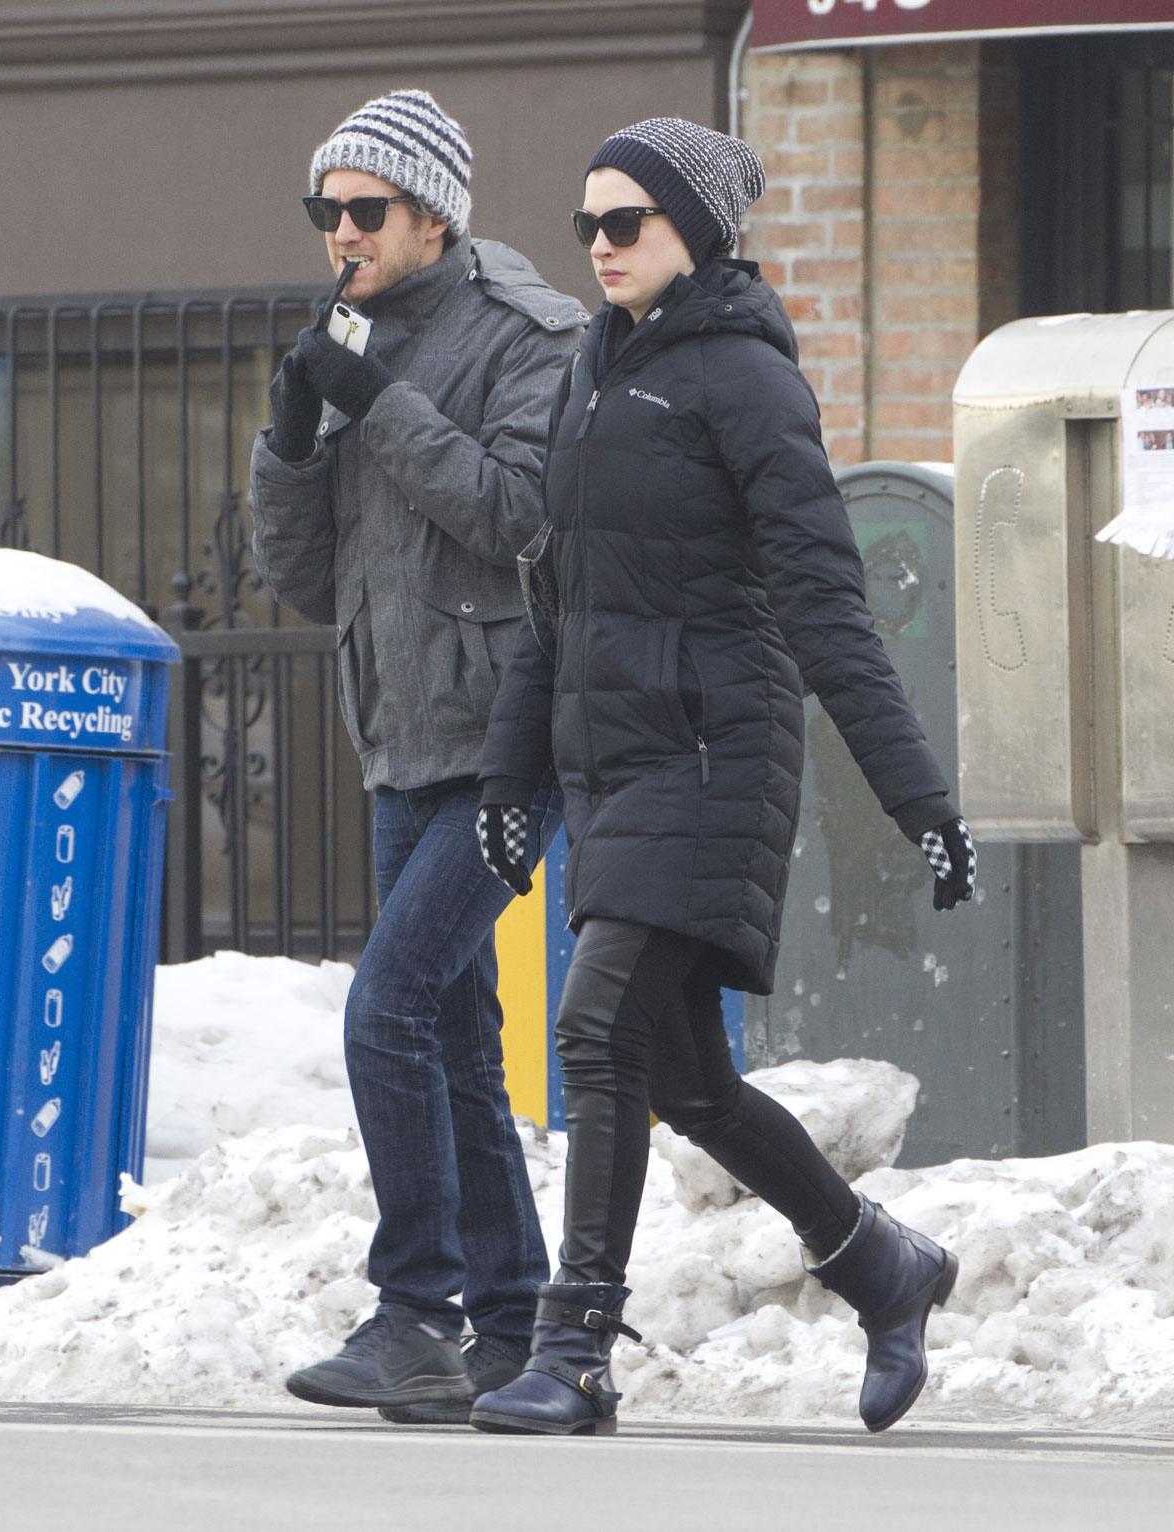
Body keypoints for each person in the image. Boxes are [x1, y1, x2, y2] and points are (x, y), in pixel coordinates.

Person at [470, 117, 976, 1437]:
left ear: (696, 228)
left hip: (711, 760)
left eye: (623, 223)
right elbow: (556, 600)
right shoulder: (594, 372)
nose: (598, 247)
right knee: (683, 1079)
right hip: (615, 767)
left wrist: (917, 794)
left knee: (592, 1032)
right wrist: (510, 779)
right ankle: (881, 1264)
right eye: (585, 225)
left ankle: (574, 1348)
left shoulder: (746, 380)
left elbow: (825, 600)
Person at [249, 88, 586, 1422]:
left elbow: (515, 517)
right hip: (399, 735)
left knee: (383, 1005)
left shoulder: (528, 336)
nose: (340, 230)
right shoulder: (350, 337)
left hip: (513, 739)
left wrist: (376, 400)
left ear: (433, 215)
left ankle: (415, 1310)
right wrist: (288, 439)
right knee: (451, 1036)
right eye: (325, 209)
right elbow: (303, 574)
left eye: (364, 208)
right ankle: (507, 1328)